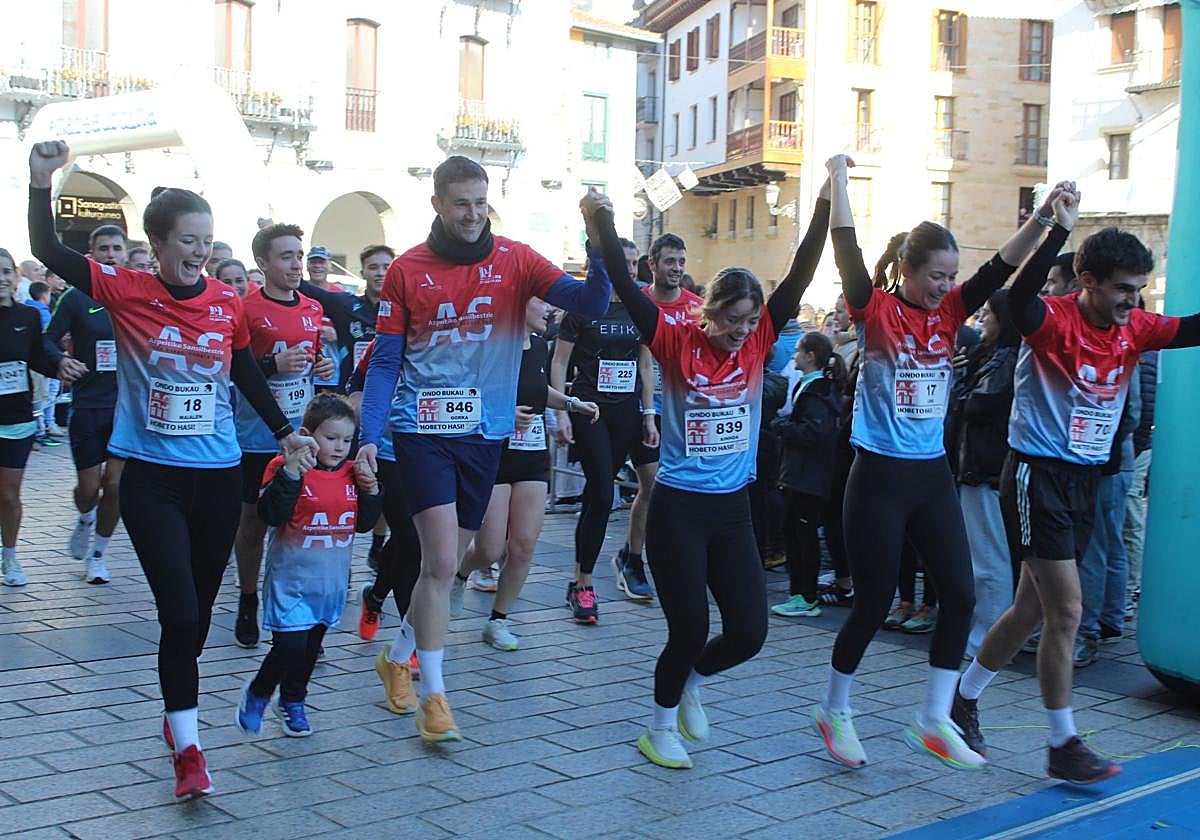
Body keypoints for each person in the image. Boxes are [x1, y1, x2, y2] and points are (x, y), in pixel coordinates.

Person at [29, 139, 315, 799]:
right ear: (157, 243)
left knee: (199, 614)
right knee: (180, 614)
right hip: (151, 477)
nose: (199, 251)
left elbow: (241, 367)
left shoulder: (225, 301)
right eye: (188, 240)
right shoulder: (124, 289)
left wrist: (283, 432)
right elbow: (47, 248)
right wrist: (41, 180)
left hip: (217, 476)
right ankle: (189, 749)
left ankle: (177, 712)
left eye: (207, 241)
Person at [815, 156, 1074, 772]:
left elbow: (1002, 267)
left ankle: (934, 716)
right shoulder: (874, 310)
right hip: (878, 474)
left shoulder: (953, 312)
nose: (944, 285)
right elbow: (846, 248)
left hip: (931, 474)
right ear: (906, 270)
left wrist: (1045, 217)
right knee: (873, 603)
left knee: (960, 595)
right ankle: (834, 709)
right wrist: (839, 185)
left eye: (951, 276)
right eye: (935, 275)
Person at [355, 157, 610, 742]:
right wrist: (369, 436)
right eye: (460, 203)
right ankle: (435, 696)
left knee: (452, 560)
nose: (472, 215)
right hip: (421, 433)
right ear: (438, 205)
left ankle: (396, 655)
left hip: (484, 435)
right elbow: (386, 361)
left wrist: (598, 239)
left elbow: (592, 304)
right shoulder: (407, 270)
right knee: (442, 562)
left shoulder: (516, 259)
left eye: (480, 202)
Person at [587, 180, 829, 770]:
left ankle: (691, 682)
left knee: (749, 632)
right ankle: (658, 727)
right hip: (679, 509)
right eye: (731, 320)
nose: (742, 330)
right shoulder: (674, 341)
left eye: (751, 320)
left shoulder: (760, 341)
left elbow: (801, 270)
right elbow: (625, 283)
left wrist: (829, 196)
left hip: (731, 510)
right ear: (710, 311)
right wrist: (600, 221)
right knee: (689, 628)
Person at [952, 223, 1200, 784]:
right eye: (1122, 289)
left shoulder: (1136, 328)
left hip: (1084, 481)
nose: (1132, 301)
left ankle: (962, 699)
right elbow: (1019, 296)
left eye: (1139, 289)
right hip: (1036, 475)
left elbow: (1192, 328)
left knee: (1031, 610)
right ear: (1087, 281)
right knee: (1067, 611)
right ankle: (1062, 743)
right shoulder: (1052, 320)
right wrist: (1056, 228)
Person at [451, 297, 600, 649]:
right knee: (489, 548)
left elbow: (538, 389)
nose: (550, 310)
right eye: (542, 303)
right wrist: (503, 414)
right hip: (495, 455)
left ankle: (498, 621)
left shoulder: (538, 345)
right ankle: (460, 575)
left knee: (524, 544)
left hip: (532, 455)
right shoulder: (490, 344)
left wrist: (571, 404)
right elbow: (468, 393)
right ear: (519, 305)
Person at [236, 394, 381, 737]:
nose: (340, 447)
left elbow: (364, 524)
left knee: (311, 648)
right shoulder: (283, 467)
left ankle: (293, 700)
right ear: (306, 434)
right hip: (291, 581)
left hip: (330, 584)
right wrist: (289, 473)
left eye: (347, 440)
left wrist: (372, 491)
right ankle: (258, 692)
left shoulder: (351, 474)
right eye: (331, 438)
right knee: (290, 646)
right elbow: (271, 514)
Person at [232, 223, 333, 649]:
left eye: (299, 255)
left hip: (301, 435)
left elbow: (313, 359)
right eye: (286, 256)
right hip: (255, 437)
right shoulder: (245, 309)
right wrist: (272, 365)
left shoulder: (312, 307)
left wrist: (323, 366)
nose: (296, 265)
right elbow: (231, 370)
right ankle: (247, 599)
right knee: (253, 525)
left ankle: (294, 612)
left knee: (297, 525)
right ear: (263, 263)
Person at [550, 249, 658, 621]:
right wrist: (562, 411)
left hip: (626, 410)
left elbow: (646, 364)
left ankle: (581, 578)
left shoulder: (640, 307)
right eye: (621, 261)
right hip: (589, 409)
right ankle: (583, 583)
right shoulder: (584, 304)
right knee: (601, 491)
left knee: (600, 497)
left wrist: (648, 414)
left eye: (632, 263)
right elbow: (559, 361)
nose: (628, 268)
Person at [613, 233, 702, 602]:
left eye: (681, 261)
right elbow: (641, 359)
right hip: (642, 409)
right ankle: (634, 562)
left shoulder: (697, 307)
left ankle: (640, 555)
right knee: (652, 486)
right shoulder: (640, 303)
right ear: (653, 265)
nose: (677, 268)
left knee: (679, 490)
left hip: (685, 413)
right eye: (670, 262)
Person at [42, 223, 128, 583]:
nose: (111, 255)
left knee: (116, 486)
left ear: (125, 253)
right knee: (89, 489)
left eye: (117, 248)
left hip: (126, 408)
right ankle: (85, 518)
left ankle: (98, 556)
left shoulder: (136, 294)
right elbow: (48, 340)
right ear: (91, 255)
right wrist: (61, 361)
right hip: (89, 404)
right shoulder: (76, 297)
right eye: (103, 248)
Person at [955, 290, 1021, 657]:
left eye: (989, 314)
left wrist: (957, 382)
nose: (982, 321)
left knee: (989, 557)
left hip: (987, 469)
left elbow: (977, 406)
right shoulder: (992, 356)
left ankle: (988, 642)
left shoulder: (1006, 359)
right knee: (986, 554)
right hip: (983, 467)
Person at [1, 247, 66, 586]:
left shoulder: (26, 316)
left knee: (9, 494)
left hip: (16, 418)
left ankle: (10, 557)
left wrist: (63, 366)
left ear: (15, 277)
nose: (1, 278)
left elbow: (38, 359)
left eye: (5, 271)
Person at [769, 331, 846, 617]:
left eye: (799, 351)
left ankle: (806, 595)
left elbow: (814, 431)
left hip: (808, 476)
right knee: (795, 533)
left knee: (803, 536)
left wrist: (782, 427)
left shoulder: (818, 390)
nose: (793, 356)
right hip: (802, 474)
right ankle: (799, 592)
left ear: (810, 356)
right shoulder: (814, 387)